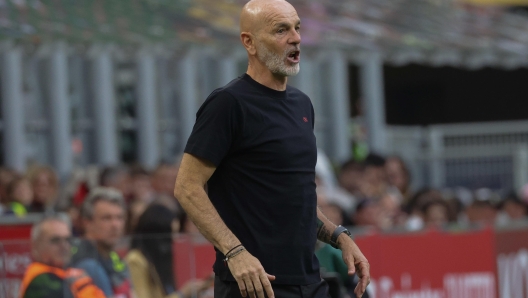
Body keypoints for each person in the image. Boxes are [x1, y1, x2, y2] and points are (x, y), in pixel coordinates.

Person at [173, 1, 370, 298]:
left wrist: (338, 236)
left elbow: (293, 197)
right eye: (281, 30)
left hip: (310, 280)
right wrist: (235, 252)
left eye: (297, 27)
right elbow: (187, 187)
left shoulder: (302, 104)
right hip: (254, 285)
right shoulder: (228, 103)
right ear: (249, 42)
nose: (295, 37)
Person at [126, 204, 211, 298]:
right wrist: (182, 294)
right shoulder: (136, 260)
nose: (174, 240)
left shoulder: (158, 260)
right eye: (170, 235)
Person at [19, 215, 105, 298]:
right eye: (55, 240)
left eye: (68, 240)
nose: (64, 246)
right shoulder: (40, 279)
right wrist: (83, 288)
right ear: (37, 246)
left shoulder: (65, 273)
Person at [70, 187, 133, 298]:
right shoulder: (84, 263)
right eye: (106, 218)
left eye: (120, 218)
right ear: (87, 223)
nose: (115, 225)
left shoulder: (115, 258)